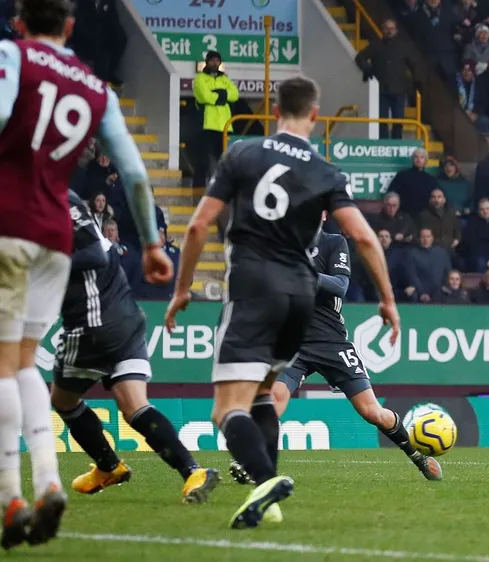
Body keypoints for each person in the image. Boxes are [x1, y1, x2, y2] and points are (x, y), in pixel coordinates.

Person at [164, 76, 401, 529]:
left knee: (225, 409)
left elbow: (197, 226)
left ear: (275, 112)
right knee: (260, 395)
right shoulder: (327, 172)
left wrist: (182, 289)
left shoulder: (242, 153)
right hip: (300, 300)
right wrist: (388, 300)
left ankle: (267, 479)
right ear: (315, 114)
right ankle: (266, 498)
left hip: (254, 288)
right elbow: (365, 237)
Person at [0, 0, 172, 548]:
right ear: (71, 27)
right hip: (57, 236)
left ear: (19, 22)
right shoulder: (96, 89)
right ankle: (49, 482)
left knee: (3, 366)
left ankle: (11, 497)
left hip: (8, 222)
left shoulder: (13, 56)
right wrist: (151, 243)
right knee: (25, 362)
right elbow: (136, 173)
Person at [229, 223, 441, 489]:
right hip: (294, 342)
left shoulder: (333, 243)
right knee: (274, 398)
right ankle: (252, 461)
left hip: (332, 342)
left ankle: (417, 456)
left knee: (372, 412)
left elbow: (340, 286)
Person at [51, 191, 219, 501]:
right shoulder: (65, 199)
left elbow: (94, 255)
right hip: (126, 317)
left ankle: (108, 466)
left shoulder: (53, 202)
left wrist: (42, 264)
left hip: (93, 323)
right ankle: (192, 472)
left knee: (63, 400)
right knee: (135, 406)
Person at [355, 19, 414, 139]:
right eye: (387, 28)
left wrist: (413, 84)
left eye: (392, 28)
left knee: (398, 119)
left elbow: (413, 65)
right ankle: (383, 142)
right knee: (382, 119)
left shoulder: (403, 46)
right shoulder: (376, 45)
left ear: (396, 30)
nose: (389, 31)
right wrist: (368, 70)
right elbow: (360, 58)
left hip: (399, 89)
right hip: (381, 89)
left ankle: (397, 143)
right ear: (382, 30)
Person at [193, 50, 239, 187]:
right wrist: (223, 96)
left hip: (225, 125)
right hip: (207, 124)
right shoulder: (200, 78)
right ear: (207, 62)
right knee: (203, 160)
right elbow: (204, 96)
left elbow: (235, 95)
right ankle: (199, 189)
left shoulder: (225, 79)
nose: (215, 63)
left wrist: (217, 94)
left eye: (217, 61)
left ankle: (224, 188)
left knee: (225, 160)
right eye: (212, 60)